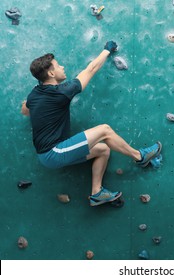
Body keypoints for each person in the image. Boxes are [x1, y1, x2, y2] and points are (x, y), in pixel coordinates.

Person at [21, 41, 162, 206]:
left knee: (103, 150)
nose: (63, 67)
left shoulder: (35, 93)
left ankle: (97, 193)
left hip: (46, 155)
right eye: (58, 66)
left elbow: (25, 110)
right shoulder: (62, 92)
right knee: (105, 130)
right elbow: (91, 69)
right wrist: (107, 50)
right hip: (54, 152)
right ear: (51, 73)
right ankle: (140, 157)